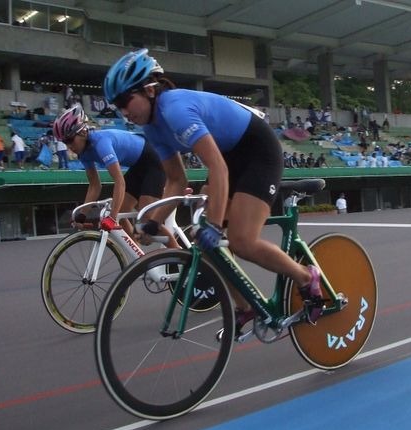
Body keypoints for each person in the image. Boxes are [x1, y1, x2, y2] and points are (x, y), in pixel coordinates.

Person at [103, 48, 324, 328]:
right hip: (229, 156)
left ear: (148, 89)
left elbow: (217, 168)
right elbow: (176, 181)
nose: (123, 111)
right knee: (203, 243)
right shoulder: (152, 127)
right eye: (116, 106)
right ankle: (246, 309)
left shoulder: (174, 109)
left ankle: (306, 277)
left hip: (257, 151)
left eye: (125, 101)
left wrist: (216, 225)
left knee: (241, 241)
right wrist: (152, 223)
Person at [52, 104, 175, 246]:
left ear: (82, 132)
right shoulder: (83, 154)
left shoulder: (101, 143)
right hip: (138, 166)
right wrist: (82, 215)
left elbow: (119, 181)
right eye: (65, 142)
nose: (69, 146)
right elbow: (94, 186)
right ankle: (138, 256)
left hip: (153, 161)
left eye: (70, 140)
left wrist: (112, 217)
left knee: (146, 219)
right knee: (121, 211)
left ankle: (179, 253)